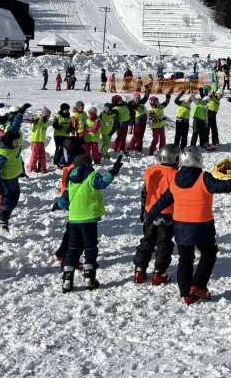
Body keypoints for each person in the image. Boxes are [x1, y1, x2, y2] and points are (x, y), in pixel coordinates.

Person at [146, 147, 231, 304]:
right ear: (197, 160)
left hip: (180, 225)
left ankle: (186, 294)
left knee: (185, 259)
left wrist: (150, 215)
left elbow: (163, 200)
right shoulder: (204, 177)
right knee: (209, 253)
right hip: (201, 225)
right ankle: (198, 286)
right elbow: (223, 186)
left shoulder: (176, 178)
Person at [58, 153, 124, 291]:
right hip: (88, 219)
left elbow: (64, 200)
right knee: (90, 247)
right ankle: (89, 278)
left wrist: (58, 205)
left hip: (74, 219)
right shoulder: (91, 176)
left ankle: (67, 279)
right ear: (89, 164)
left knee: (73, 248)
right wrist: (113, 170)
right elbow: (103, 182)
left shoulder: (71, 179)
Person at [134, 146, 179, 285]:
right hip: (167, 214)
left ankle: (139, 270)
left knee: (147, 241)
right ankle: (159, 273)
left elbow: (145, 191)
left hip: (150, 212)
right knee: (164, 244)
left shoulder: (150, 170)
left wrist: (143, 210)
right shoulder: (175, 174)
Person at [0, 105, 29, 230]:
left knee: (14, 200)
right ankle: (2, 219)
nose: (18, 143)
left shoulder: (12, 143)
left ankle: (4, 217)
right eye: (15, 141)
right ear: (10, 141)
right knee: (7, 203)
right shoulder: (3, 153)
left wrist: (21, 113)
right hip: (6, 180)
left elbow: (15, 127)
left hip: (14, 177)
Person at [27, 108, 51, 174]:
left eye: (49, 116)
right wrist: (31, 120)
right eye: (48, 115)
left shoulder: (46, 122)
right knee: (35, 155)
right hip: (35, 141)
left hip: (41, 141)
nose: (49, 117)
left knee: (42, 155)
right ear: (44, 115)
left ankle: (42, 168)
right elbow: (31, 121)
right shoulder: (38, 120)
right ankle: (32, 168)